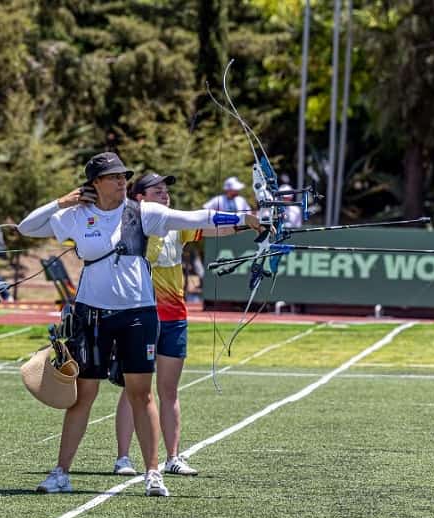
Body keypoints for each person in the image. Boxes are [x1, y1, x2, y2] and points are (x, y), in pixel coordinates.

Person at [17, 153, 262, 496]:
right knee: (83, 395)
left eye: (123, 177)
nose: (122, 182)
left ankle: (152, 473)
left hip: (137, 314)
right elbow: (26, 227)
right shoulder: (76, 215)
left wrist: (244, 219)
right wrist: (61, 201)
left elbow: (193, 217)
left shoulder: (143, 212)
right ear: (95, 184)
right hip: (92, 315)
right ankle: (60, 472)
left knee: (141, 394)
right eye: (114, 177)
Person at [114, 172, 248, 479]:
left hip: (174, 316)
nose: (165, 194)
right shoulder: (128, 225)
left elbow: (212, 228)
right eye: (157, 190)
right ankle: (123, 457)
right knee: (133, 389)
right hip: (140, 314)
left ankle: (172, 457)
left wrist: (249, 224)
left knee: (169, 390)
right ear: (140, 197)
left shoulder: (176, 225)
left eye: (166, 191)